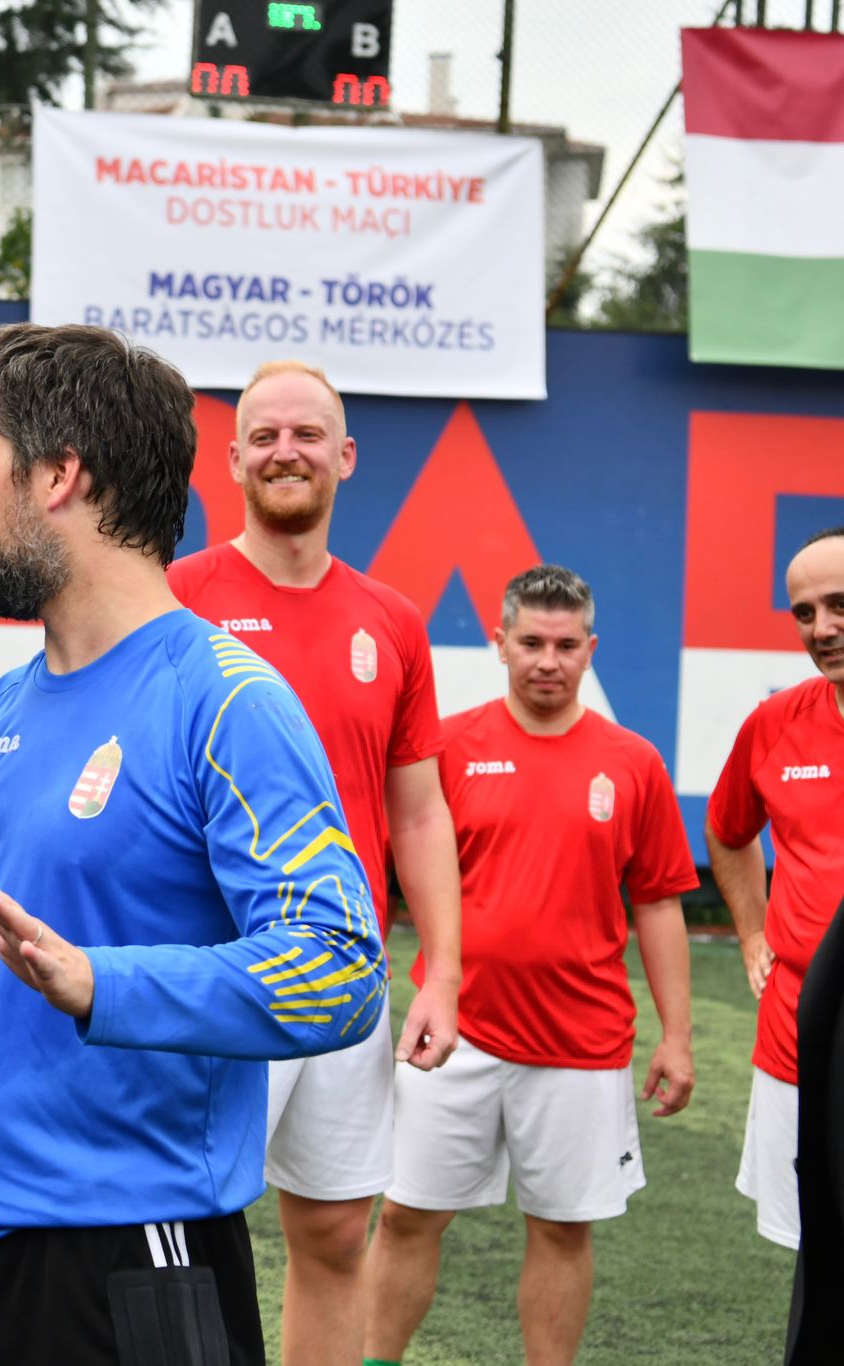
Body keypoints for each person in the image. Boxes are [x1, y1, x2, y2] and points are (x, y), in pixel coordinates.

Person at [0, 324, 386, 1366]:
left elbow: (341, 966)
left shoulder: (227, 701)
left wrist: (102, 984)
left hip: (133, 1259)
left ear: (59, 477)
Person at [166, 359, 462, 1366]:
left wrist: (441, 972)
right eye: (263, 436)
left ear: (345, 456)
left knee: (335, 1230)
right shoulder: (175, 597)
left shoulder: (393, 620)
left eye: (305, 435)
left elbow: (416, 812)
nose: (284, 452)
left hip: (341, 970)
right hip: (211, 969)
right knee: (180, 1225)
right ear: (232, 459)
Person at [360, 564, 697, 1366]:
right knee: (405, 1215)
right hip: (454, 1033)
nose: (549, 661)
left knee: (562, 1228)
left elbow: (657, 903)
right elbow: (393, 868)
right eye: (533, 643)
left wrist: (678, 1036)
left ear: (591, 650)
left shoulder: (633, 761)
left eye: (566, 646)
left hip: (582, 1044)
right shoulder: (446, 748)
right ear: (500, 643)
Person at [707, 525, 844, 1252]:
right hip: (797, 1038)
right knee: (809, 1258)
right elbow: (728, 832)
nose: (822, 629)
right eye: (805, 612)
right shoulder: (775, 724)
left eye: (840, 605)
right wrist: (754, 932)